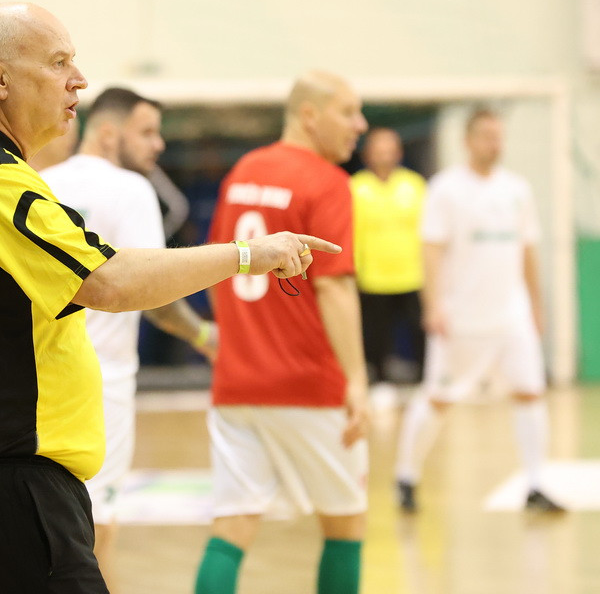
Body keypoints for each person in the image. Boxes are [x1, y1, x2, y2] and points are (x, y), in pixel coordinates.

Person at [0, 2, 339, 594]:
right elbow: (110, 281)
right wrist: (248, 254)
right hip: (3, 486)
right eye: (58, 63)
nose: (78, 80)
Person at [195, 70, 371, 594]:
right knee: (345, 522)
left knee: (232, 525)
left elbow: (214, 268)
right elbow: (334, 288)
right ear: (309, 115)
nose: (360, 124)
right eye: (348, 111)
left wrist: (233, 341)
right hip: (309, 384)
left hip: (238, 384)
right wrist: (357, 379)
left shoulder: (244, 171)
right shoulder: (327, 181)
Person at [42, 86, 216, 591]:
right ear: (107, 132)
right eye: (146, 132)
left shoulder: (38, 184)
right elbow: (154, 295)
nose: (158, 144)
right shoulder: (130, 189)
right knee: (95, 530)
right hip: (100, 387)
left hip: (36, 381)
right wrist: (206, 335)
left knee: (43, 525)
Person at [394, 108, 564, 514]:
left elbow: (528, 250)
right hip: (461, 320)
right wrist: (433, 305)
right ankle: (406, 476)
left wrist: (536, 306)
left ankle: (535, 484)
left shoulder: (517, 189)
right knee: (438, 399)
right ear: (467, 141)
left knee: (530, 393)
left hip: (511, 317)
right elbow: (431, 250)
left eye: (499, 136)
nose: (495, 144)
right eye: (487, 135)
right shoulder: (445, 189)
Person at [350, 128, 426, 390]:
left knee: (419, 331)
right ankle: (379, 381)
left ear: (398, 153)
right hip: (372, 277)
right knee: (375, 334)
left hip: (412, 274)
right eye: (378, 151)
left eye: (389, 150)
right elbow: (350, 234)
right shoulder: (355, 187)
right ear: (367, 155)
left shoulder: (415, 185)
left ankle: (423, 381)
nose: (384, 156)